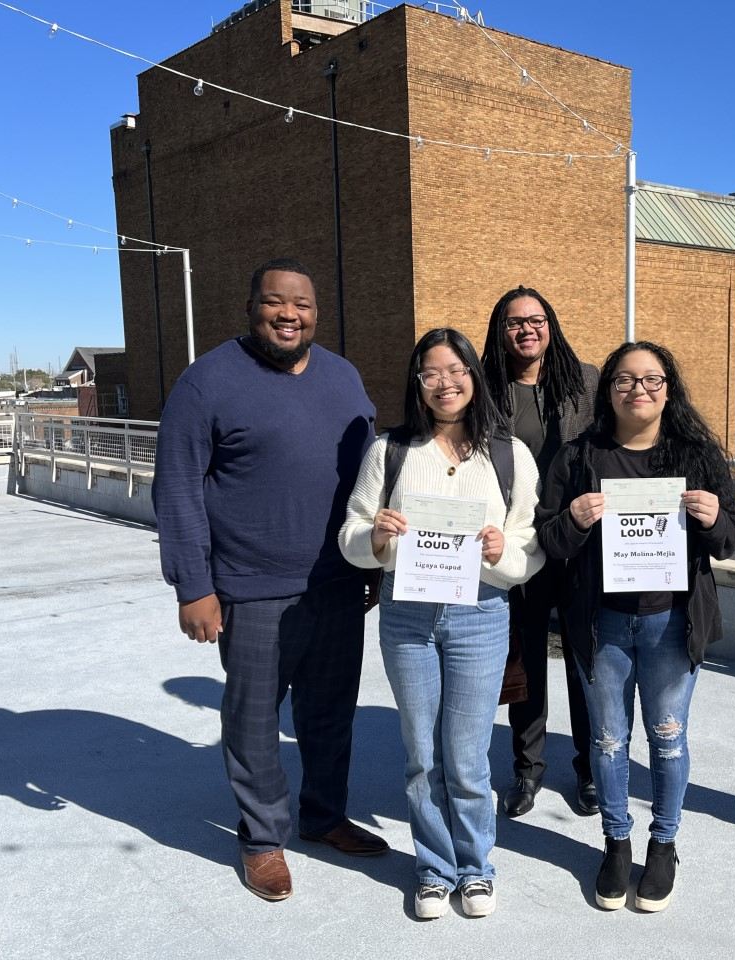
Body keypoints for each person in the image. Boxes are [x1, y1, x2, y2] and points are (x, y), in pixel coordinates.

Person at [152, 257, 389, 902]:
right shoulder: (207, 382)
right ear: (252, 306)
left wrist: (369, 560)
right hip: (251, 585)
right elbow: (176, 488)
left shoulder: (342, 376)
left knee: (330, 711)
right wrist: (192, 586)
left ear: (316, 312)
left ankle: (324, 815)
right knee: (254, 718)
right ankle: (262, 839)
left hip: (337, 582)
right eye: (276, 303)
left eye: (303, 305)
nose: (289, 315)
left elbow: (368, 478)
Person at [537, 341, 735, 914]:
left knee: (667, 736)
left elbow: (732, 535)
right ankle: (616, 841)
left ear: (669, 389)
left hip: (671, 622)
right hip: (601, 623)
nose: (639, 390)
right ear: (607, 391)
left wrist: (712, 519)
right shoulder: (579, 458)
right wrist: (575, 520)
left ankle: (663, 843)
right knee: (607, 740)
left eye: (652, 380)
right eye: (625, 380)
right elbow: (547, 539)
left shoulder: (696, 456)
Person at [339, 328, 543, 920]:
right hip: (407, 614)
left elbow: (530, 546)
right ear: (417, 383)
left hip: (479, 614)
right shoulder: (390, 451)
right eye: (431, 373)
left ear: (475, 377)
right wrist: (374, 538)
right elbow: (351, 532)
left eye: (456, 371)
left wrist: (504, 549)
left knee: (469, 754)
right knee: (421, 752)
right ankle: (434, 867)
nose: (445, 383)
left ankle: (476, 868)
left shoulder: (507, 454)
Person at [481, 285, 599, 819]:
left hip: (576, 541)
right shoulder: (485, 389)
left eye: (536, 319)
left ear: (551, 324)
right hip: (518, 543)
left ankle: (590, 769)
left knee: (583, 660)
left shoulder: (588, 383)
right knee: (525, 660)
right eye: (514, 322)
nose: (526, 329)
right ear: (500, 331)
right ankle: (527, 771)